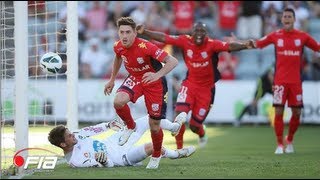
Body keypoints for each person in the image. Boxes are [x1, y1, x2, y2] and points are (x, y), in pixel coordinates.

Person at [136, 21, 252, 149]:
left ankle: (202, 133)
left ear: (206, 34)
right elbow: (164, 38)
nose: (199, 34)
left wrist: (245, 45)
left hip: (206, 90)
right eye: (196, 31)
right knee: (179, 116)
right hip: (190, 84)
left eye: (202, 31)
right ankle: (179, 149)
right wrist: (145, 32)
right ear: (192, 32)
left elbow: (229, 46)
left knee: (195, 126)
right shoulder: (185, 41)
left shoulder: (212, 45)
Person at [103, 17, 178, 169]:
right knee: (118, 101)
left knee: (154, 125)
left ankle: (156, 155)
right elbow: (118, 58)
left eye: (128, 32)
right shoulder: (118, 46)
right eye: (121, 32)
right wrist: (112, 79)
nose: (124, 36)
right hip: (136, 78)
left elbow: (173, 61)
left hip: (154, 83)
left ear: (135, 33)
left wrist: (156, 75)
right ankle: (130, 126)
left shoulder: (146, 46)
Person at [247, 8, 320, 154]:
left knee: (297, 113)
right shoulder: (275, 35)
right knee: (278, 111)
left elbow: (317, 47)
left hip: (296, 82)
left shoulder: (302, 36)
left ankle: (290, 139)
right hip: (279, 82)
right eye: (284, 16)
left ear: (294, 19)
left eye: (289, 16)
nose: (286, 19)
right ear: (281, 20)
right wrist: (238, 43)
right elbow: (257, 44)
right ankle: (280, 144)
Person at [48, 112, 195, 168]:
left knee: (149, 119)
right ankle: (177, 154)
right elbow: (109, 166)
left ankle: (174, 127)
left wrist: (108, 125)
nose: (73, 135)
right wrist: (104, 161)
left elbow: (90, 130)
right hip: (121, 157)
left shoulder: (76, 137)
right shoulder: (78, 161)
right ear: (63, 144)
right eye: (69, 136)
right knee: (152, 147)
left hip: (115, 141)